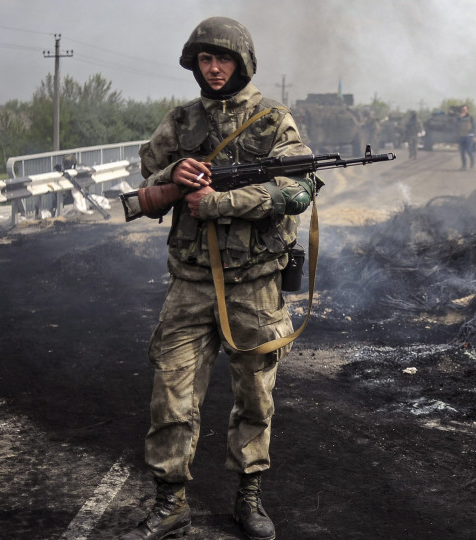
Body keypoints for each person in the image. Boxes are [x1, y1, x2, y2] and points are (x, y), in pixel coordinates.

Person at [120, 16, 317, 540]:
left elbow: (298, 191)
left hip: (254, 286)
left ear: (242, 63)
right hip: (190, 283)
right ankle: (170, 503)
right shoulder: (182, 121)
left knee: (255, 397)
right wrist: (174, 176)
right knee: (171, 395)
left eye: (223, 59)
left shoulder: (274, 121)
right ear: (194, 64)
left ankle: (249, 497)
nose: (214, 68)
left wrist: (222, 202)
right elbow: (147, 178)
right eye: (205, 59)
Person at [456, 104, 476, 170]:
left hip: (469, 136)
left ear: (467, 110)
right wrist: (460, 118)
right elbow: (457, 126)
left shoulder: (470, 117)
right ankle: (464, 166)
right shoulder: (458, 118)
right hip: (461, 136)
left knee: (468, 150)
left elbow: (474, 126)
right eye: (462, 110)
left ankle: (472, 161)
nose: (463, 111)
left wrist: (474, 135)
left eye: (464, 109)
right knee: (462, 152)